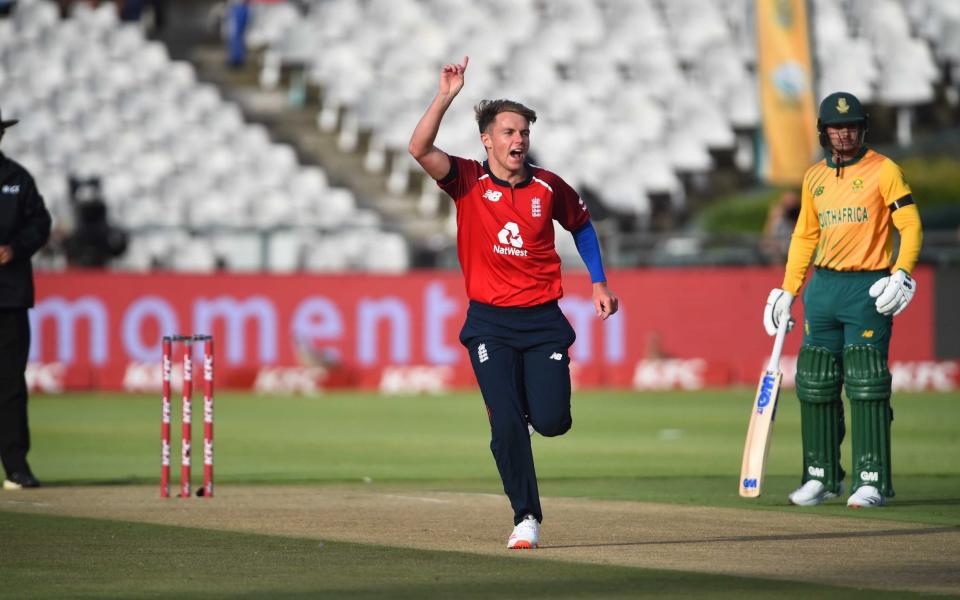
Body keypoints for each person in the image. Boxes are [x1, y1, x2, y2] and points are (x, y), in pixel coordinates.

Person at [408, 57, 619, 549]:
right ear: (488, 139)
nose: (519, 140)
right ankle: (526, 516)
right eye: (508, 131)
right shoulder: (466, 181)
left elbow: (582, 226)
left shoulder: (549, 186)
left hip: (543, 321)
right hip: (489, 324)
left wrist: (599, 282)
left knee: (550, 422)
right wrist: (446, 95)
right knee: (506, 425)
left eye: (523, 131)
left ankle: (522, 408)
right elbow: (418, 148)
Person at [763, 91, 923, 508]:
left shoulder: (884, 170)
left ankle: (871, 479)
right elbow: (804, 237)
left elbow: (910, 225)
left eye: (851, 125)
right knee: (815, 382)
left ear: (862, 128)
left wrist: (902, 272)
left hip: (868, 287)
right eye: (836, 127)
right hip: (824, 288)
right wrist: (788, 289)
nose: (844, 133)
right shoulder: (814, 177)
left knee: (867, 382)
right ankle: (821, 476)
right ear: (824, 132)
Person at [0, 108, 52, 490]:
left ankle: (16, 466)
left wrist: (14, 249)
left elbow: (41, 223)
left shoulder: (16, 178)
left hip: (9, 298)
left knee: (10, 384)